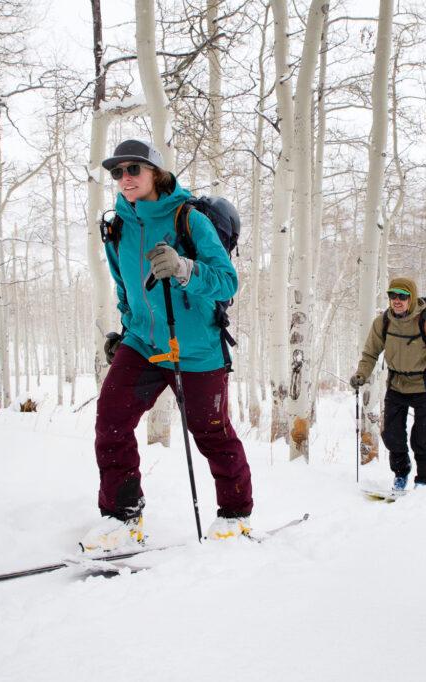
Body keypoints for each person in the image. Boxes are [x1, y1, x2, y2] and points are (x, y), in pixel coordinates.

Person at [81, 139, 253, 552]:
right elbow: (125, 290)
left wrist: (184, 268)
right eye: (117, 172)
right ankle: (123, 517)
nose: (124, 179)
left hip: (196, 347)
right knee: (111, 419)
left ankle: (235, 516)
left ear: (155, 173)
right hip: (142, 343)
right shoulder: (117, 227)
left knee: (211, 433)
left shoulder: (188, 218)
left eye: (133, 170)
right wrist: (125, 332)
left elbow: (227, 281)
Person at [349, 277, 426, 490]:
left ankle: (425, 478)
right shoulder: (383, 322)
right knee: (391, 434)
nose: (397, 300)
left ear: (411, 298)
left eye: (402, 296)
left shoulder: (425, 320)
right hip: (396, 384)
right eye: (392, 295)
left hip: (424, 385)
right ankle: (401, 473)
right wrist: (361, 375)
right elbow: (370, 353)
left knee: (421, 437)